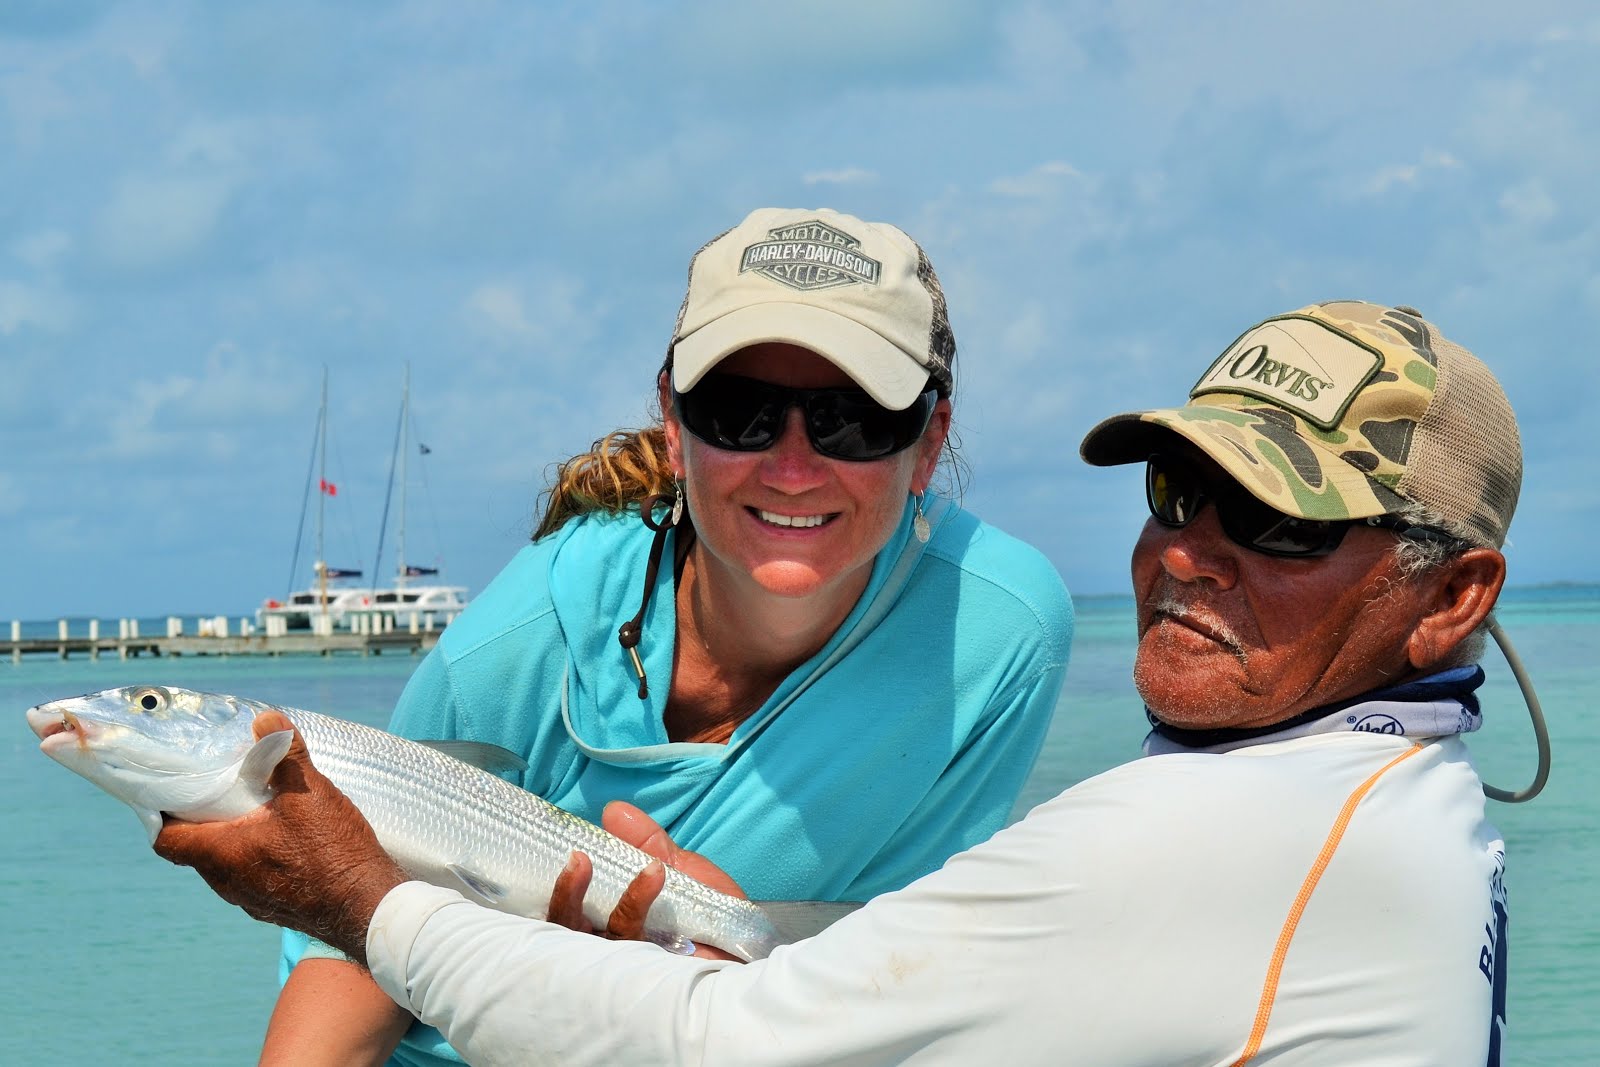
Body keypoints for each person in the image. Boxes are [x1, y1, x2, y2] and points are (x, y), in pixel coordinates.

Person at [160, 300, 1520, 1064]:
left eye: (1282, 523)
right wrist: (742, 937)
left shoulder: (1223, 830)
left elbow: (724, 1049)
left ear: (1452, 597)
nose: (1186, 555)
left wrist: (359, 893)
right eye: (1183, 489)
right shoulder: (1403, 802)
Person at [260, 206, 1074, 1065]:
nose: (793, 467)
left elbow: (890, 977)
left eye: (853, 417)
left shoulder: (995, 634)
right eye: (740, 412)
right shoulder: (515, 647)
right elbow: (351, 949)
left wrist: (713, 967)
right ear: (674, 426)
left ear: (930, 438)